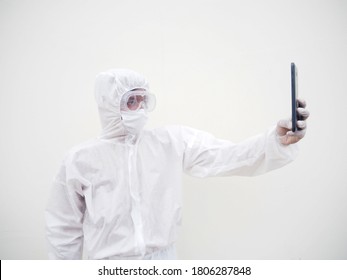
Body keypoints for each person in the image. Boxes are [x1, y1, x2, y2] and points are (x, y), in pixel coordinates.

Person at [45, 68, 310, 260]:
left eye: (142, 99)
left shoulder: (169, 141)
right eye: (130, 100)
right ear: (109, 103)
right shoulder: (80, 160)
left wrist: (275, 140)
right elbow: (63, 230)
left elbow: (228, 156)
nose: (139, 108)